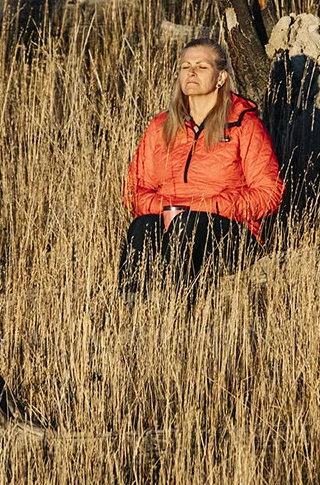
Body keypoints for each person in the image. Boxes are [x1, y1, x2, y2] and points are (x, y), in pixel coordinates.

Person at [119, 38, 284, 297]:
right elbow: (134, 191)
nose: (191, 72)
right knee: (143, 226)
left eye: (201, 67)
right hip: (171, 221)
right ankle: (131, 312)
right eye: (185, 67)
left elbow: (269, 194)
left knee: (188, 225)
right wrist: (167, 209)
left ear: (221, 78)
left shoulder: (244, 125)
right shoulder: (160, 126)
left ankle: (176, 310)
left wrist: (206, 207)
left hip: (230, 234)